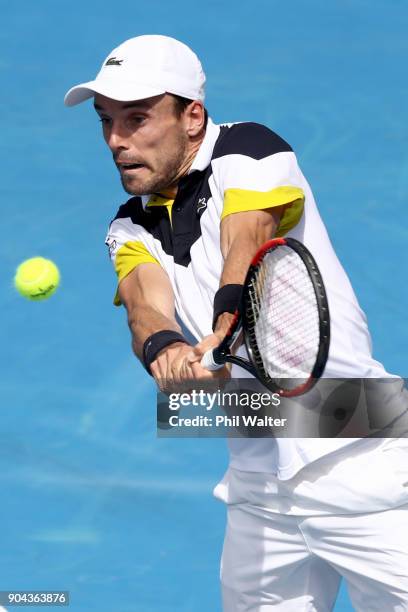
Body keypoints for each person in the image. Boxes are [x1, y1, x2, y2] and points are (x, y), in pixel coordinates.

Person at [65, 35, 408, 611]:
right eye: (106, 122)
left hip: (365, 463)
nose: (117, 141)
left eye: (138, 118)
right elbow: (144, 303)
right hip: (258, 491)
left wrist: (229, 311)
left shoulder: (250, 150)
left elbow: (246, 231)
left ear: (192, 116)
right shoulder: (128, 227)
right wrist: (166, 352)